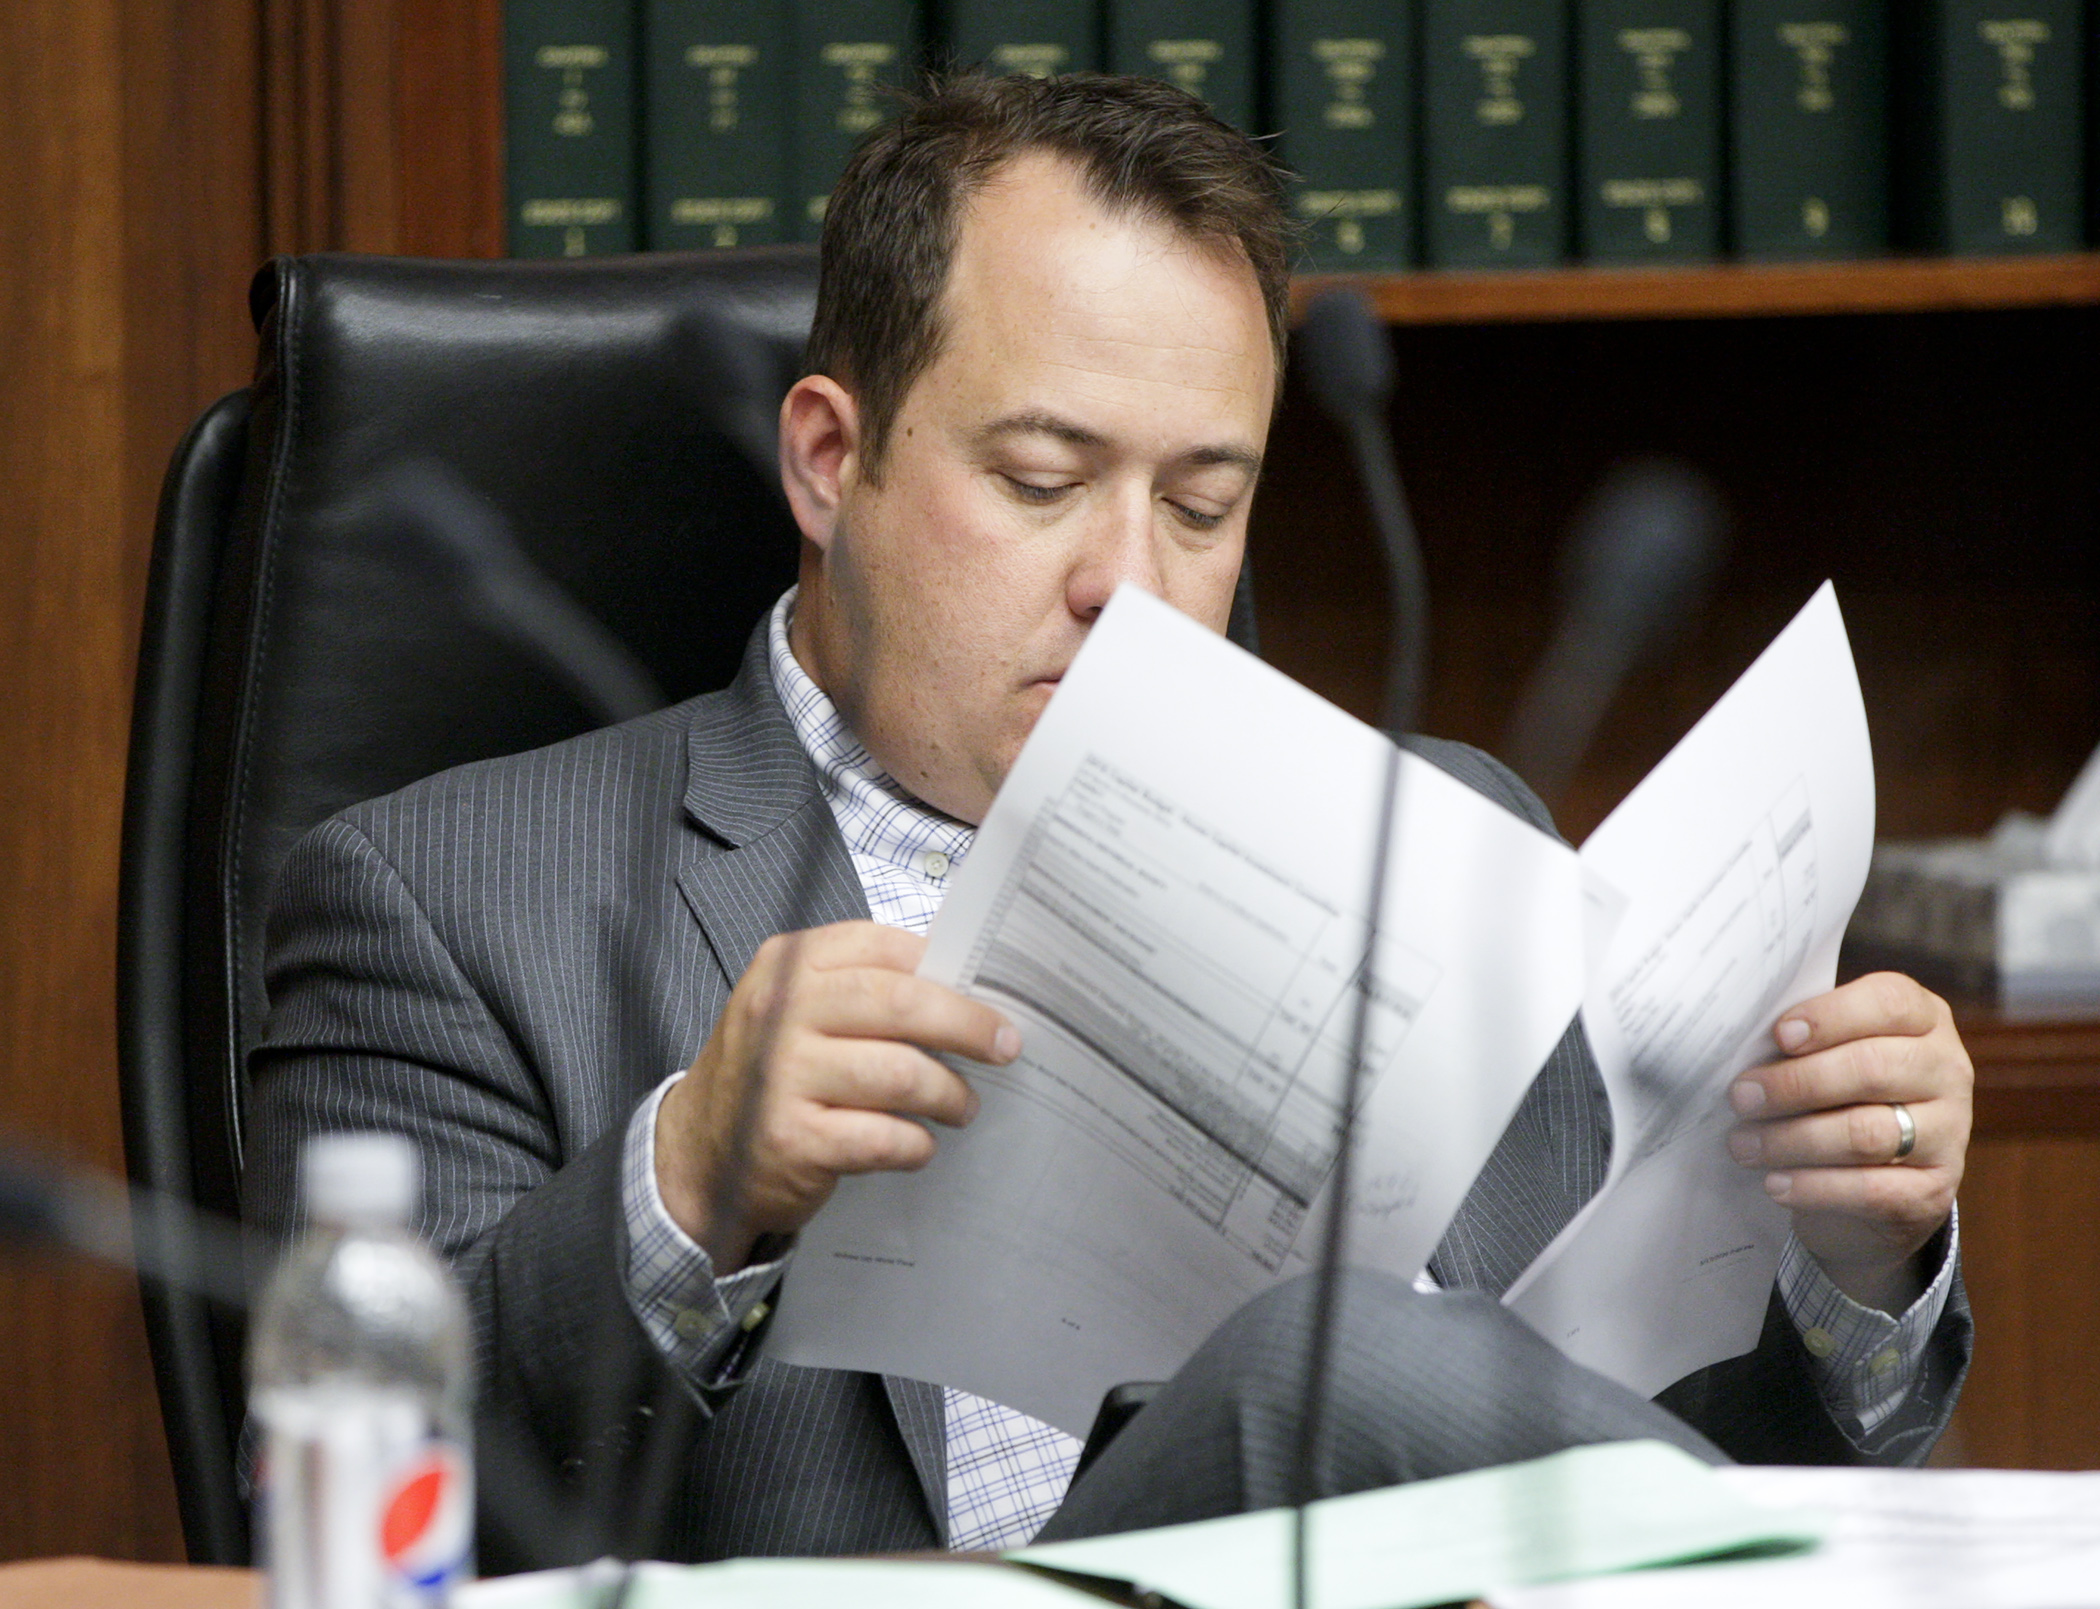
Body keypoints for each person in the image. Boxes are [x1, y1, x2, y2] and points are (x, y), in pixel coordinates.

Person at [246, 72, 1973, 1570]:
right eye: (1041, 482)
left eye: (1202, 504)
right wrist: (685, 1178)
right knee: (1337, 1362)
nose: (1128, 585)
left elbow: (1670, 1476)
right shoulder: (448, 898)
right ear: (830, 460)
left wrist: (1852, 1272)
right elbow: (334, 1510)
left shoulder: (1449, 843)